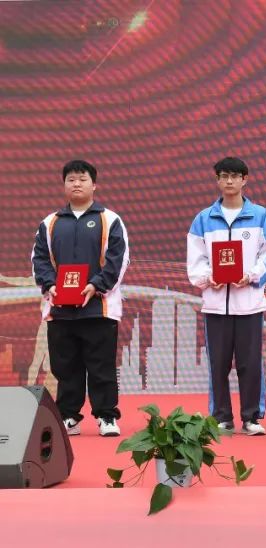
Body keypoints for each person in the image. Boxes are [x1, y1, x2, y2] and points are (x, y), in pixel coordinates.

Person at [32, 160, 129, 436]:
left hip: (99, 307)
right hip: (60, 308)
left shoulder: (110, 220)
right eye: (71, 179)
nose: (76, 184)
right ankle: (68, 416)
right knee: (65, 367)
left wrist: (96, 285)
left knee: (101, 366)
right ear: (64, 185)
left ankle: (106, 416)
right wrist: (50, 285)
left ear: (94, 185)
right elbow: (39, 259)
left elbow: (119, 259)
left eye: (82, 179)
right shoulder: (50, 223)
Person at [187, 157, 266, 436]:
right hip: (216, 305)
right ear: (217, 180)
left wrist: (250, 275)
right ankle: (222, 417)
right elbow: (195, 260)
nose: (229, 181)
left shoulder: (260, 216)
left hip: (249, 304)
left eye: (235, 176)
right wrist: (208, 277)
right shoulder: (203, 219)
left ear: (244, 179)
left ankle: (251, 417)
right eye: (224, 176)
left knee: (250, 363)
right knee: (218, 363)